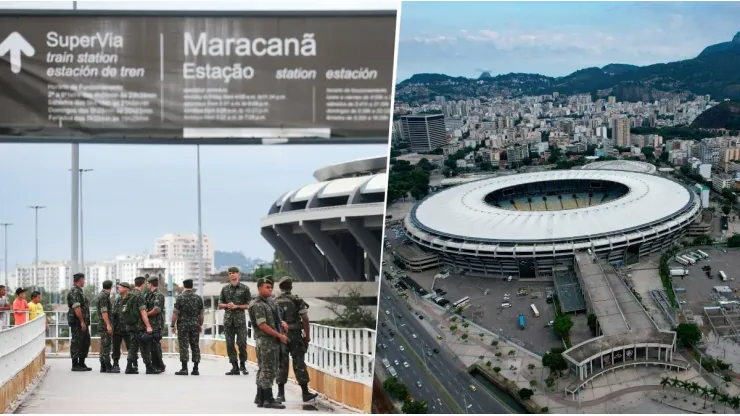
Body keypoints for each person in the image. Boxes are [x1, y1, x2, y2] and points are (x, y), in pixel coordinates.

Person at [275, 276, 318, 403]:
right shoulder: (297, 300)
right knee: (299, 362)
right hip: (295, 335)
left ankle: (280, 394)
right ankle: (305, 393)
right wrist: (308, 336)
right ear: (291, 287)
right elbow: (305, 319)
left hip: (281, 335)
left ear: (280, 287)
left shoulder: (274, 301)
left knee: (282, 363)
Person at [250, 277, 287, 409]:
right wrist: (280, 336)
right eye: (267, 287)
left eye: (271, 288)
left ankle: (260, 397)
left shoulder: (270, 302)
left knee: (264, 368)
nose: (270, 290)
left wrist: (282, 323)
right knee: (268, 369)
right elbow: (263, 325)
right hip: (266, 341)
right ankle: (268, 399)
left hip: (271, 340)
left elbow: (276, 318)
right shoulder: (258, 304)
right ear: (259, 288)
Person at [218, 266, 251, 375]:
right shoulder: (225, 289)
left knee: (242, 344)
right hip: (228, 321)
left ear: (238, 274)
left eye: (234, 273)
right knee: (229, 344)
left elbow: (248, 305)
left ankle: (243, 365)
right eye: (230, 273)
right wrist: (227, 305)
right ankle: (234, 366)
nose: (232, 275)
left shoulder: (245, 289)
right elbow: (219, 304)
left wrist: (237, 306)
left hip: (240, 321)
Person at [122, 277, 158, 375]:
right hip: (138, 326)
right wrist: (148, 326)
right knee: (144, 346)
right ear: (143, 284)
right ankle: (149, 368)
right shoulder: (140, 296)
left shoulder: (128, 295)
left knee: (133, 346)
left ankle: (129, 367)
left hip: (130, 325)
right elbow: (143, 312)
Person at [172, 278, 204, 376]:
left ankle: (184, 368)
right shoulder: (198, 298)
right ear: (192, 286)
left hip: (183, 326)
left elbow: (175, 313)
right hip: (195, 325)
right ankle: (195, 369)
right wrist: (200, 324)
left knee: (183, 346)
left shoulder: (180, 298)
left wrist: (172, 325)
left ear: (184, 286)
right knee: (195, 345)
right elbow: (201, 314)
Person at [67, 274, 92, 371]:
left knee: (85, 342)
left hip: (83, 322)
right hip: (78, 322)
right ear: (80, 280)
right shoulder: (75, 291)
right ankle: (75, 364)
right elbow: (77, 308)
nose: (84, 282)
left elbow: (83, 305)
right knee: (77, 342)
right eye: (83, 280)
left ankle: (82, 363)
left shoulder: (80, 291)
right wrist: (82, 321)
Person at [144, 276, 166, 372]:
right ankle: (157, 365)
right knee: (152, 345)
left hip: (156, 324)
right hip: (150, 323)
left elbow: (157, 309)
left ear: (151, 284)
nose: (147, 285)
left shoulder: (158, 295)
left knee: (155, 345)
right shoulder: (149, 294)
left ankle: (159, 365)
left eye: (148, 283)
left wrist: (146, 314)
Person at [94, 281, 116, 373]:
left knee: (103, 345)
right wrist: (108, 325)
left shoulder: (102, 295)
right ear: (110, 287)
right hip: (104, 325)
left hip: (102, 324)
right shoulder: (104, 296)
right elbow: (104, 312)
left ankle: (103, 366)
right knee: (106, 346)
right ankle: (108, 366)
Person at [110, 282, 131, 373]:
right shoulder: (117, 300)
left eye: (120, 287)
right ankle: (115, 364)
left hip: (129, 328)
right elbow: (113, 312)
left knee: (131, 347)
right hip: (117, 327)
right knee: (115, 347)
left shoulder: (132, 299)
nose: (118, 289)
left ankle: (131, 364)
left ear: (126, 289)